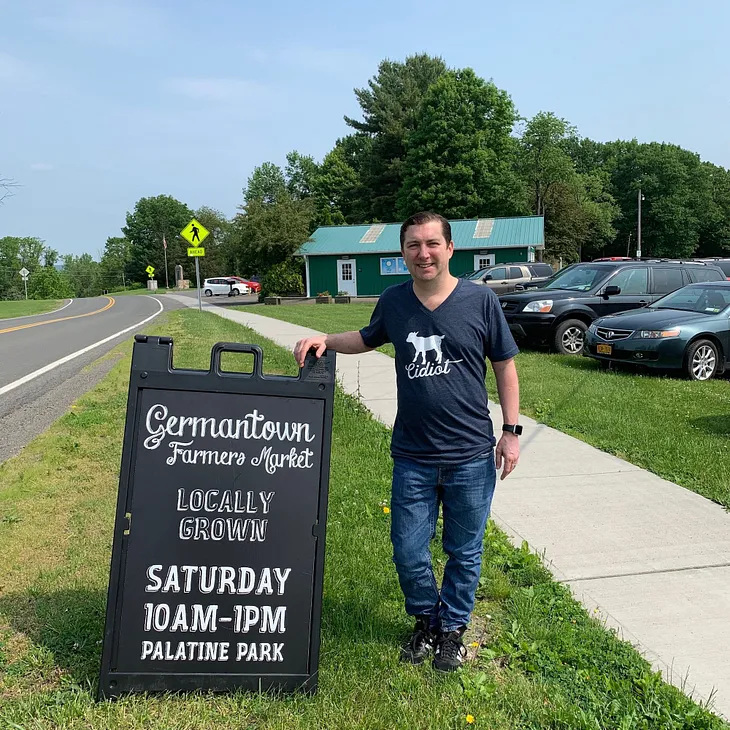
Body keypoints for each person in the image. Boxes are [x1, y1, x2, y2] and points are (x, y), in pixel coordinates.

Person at [293, 211, 521, 672]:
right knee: (409, 548)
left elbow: (504, 366)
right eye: (414, 246)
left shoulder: (480, 302)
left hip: (471, 454)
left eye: (432, 243)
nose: (424, 253)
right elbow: (366, 337)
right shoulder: (396, 302)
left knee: (464, 549)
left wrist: (511, 432)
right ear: (403, 254)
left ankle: (452, 629)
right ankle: (425, 620)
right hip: (413, 455)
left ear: (450, 248)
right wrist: (325, 340)